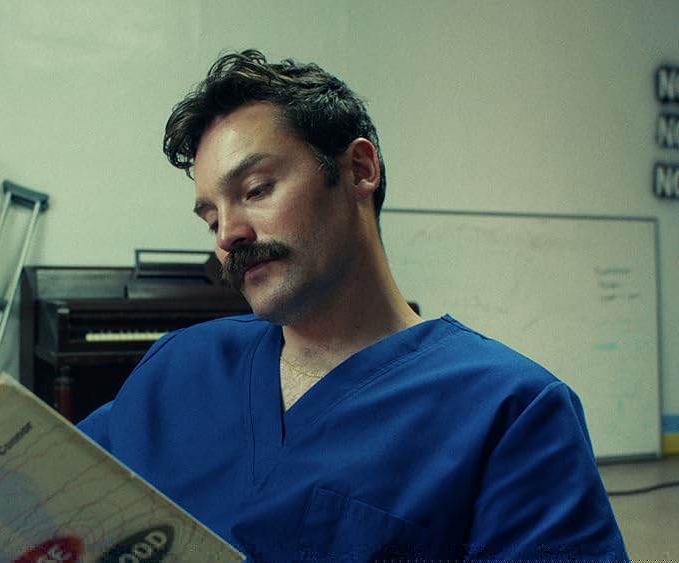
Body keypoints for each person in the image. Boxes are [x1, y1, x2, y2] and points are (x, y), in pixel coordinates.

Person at [77, 50, 629, 561]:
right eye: (212, 218)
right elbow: (53, 489)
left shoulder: (511, 412)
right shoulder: (179, 366)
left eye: (256, 189)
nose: (228, 235)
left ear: (360, 170)